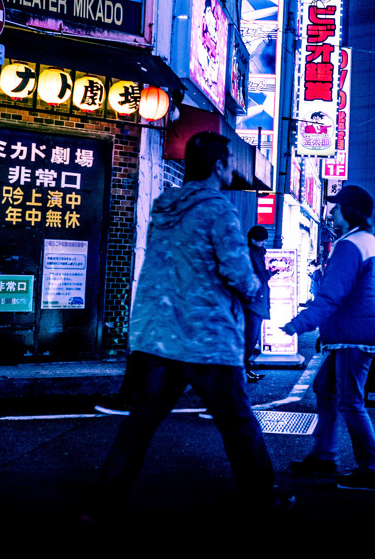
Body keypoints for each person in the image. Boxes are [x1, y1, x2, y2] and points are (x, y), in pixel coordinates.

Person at [92, 132, 288, 519]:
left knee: (140, 425)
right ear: (218, 166)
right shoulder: (218, 209)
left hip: (158, 336)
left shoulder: (165, 204)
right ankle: (262, 500)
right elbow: (238, 273)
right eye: (229, 161)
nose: (232, 168)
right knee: (237, 425)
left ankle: (105, 503)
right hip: (206, 338)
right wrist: (255, 287)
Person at [283, 185, 375, 490]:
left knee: (349, 401)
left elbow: (332, 297)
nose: (331, 212)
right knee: (325, 388)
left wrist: (298, 324)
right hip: (359, 333)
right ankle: (324, 455)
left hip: (351, 337)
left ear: (349, 211)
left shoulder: (350, 246)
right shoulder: (369, 242)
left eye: (336, 208)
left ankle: (370, 469)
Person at [245, 225, 276, 383]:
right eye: (261, 240)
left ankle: (244, 369)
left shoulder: (258, 253)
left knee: (251, 338)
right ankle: (242, 371)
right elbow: (254, 278)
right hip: (252, 303)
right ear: (252, 239)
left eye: (264, 240)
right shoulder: (250, 253)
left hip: (257, 301)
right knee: (249, 338)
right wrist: (269, 273)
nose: (264, 242)